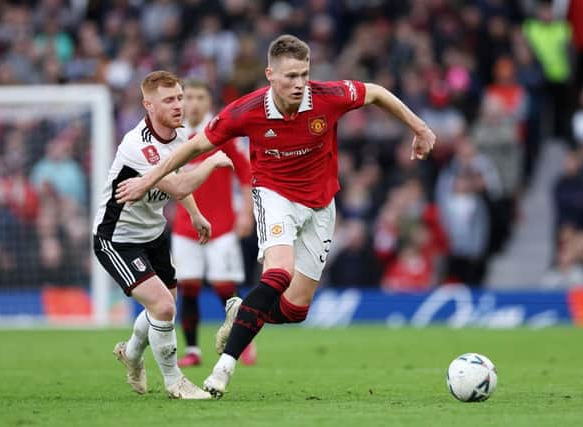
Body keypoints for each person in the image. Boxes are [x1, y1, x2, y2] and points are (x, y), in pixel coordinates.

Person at [116, 35, 436, 398]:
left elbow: (376, 91)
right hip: (274, 195)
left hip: (321, 204)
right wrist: (147, 180)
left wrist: (419, 127)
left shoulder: (328, 97)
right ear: (270, 75)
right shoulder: (245, 111)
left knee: (295, 309)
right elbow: (194, 146)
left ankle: (241, 311)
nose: (299, 84)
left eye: (304, 74)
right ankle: (224, 368)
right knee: (278, 273)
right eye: (290, 77)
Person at [92, 70, 233, 400]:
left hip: (153, 234)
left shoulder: (179, 137)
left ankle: (130, 353)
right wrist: (211, 163)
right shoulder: (137, 146)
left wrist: (195, 215)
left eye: (180, 97)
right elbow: (180, 183)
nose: (178, 105)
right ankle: (174, 382)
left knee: (162, 306)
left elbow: (179, 177)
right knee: (164, 306)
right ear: (149, 105)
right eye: (169, 100)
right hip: (117, 238)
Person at [171, 79, 257, 367]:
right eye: (189, 97)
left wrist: (246, 213)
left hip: (221, 227)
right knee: (189, 287)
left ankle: (243, 342)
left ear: (209, 102)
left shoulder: (222, 133)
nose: (193, 103)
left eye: (199, 97)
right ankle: (193, 350)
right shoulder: (174, 135)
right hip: (185, 227)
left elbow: (246, 175)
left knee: (225, 288)